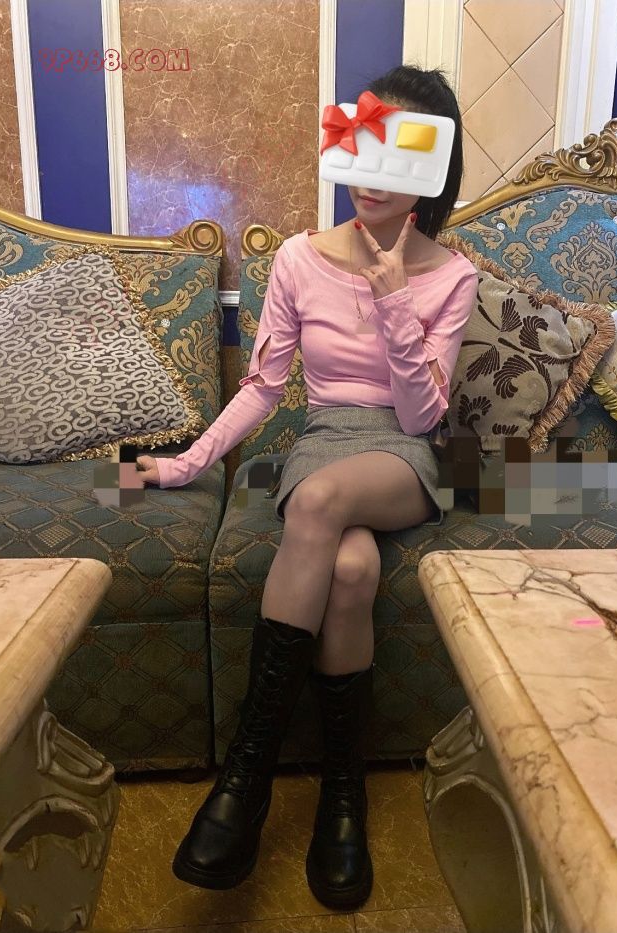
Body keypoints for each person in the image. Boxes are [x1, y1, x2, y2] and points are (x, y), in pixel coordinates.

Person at [135, 64, 479, 911]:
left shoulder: (452, 275)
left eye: (396, 155)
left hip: (406, 452)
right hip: (324, 440)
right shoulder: (297, 257)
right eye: (362, 144)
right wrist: (188, 462)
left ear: (430, 169)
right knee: (351, 571)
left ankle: (244, 780)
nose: (371, 174)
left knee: (322, 504)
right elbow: (263, 386)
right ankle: (343, 795)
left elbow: (421, 413)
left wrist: (394, 302)